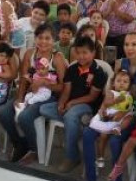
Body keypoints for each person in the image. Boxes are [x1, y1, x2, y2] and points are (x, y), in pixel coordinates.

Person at [39, 36, 106, 173]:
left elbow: (92, 96)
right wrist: (62, 103)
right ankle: (75, 126)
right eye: (78, 52)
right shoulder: (72, 68)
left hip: (87, 106)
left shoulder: (99, 72)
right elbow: (66, 90)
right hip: (70, 104)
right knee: (44, 109)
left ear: (93, 53)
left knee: (70, 116)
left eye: (85, 53)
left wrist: (71, 103)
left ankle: (72, 157)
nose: (81, 56)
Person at [4, 24, 67, 164]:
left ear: (54, 40)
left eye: (47, 38)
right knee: (4, 113)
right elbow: (24, 79)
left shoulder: (57, 57)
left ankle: (34, 150)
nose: (43, 41)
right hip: (30, 95)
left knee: (25, 117)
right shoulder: (29, 54)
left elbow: (62, 87)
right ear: (35, 38)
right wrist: (20, 98)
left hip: (49, 97)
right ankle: (20, 144)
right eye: (40, 37)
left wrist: (44, 83)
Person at [89, 69, 136, 167]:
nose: (121, 84)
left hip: (122, 115)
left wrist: (125, 111)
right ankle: (100, 156)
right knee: (103, 136)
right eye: (118, 81)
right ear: (113, 83)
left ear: (129, 85)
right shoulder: (111, 93)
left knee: (130, 117)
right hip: (110, 114)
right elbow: (106, 104)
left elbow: (130, 107)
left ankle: (118, 128)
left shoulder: (129, 95)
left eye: (125, 82)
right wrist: (116, 100)